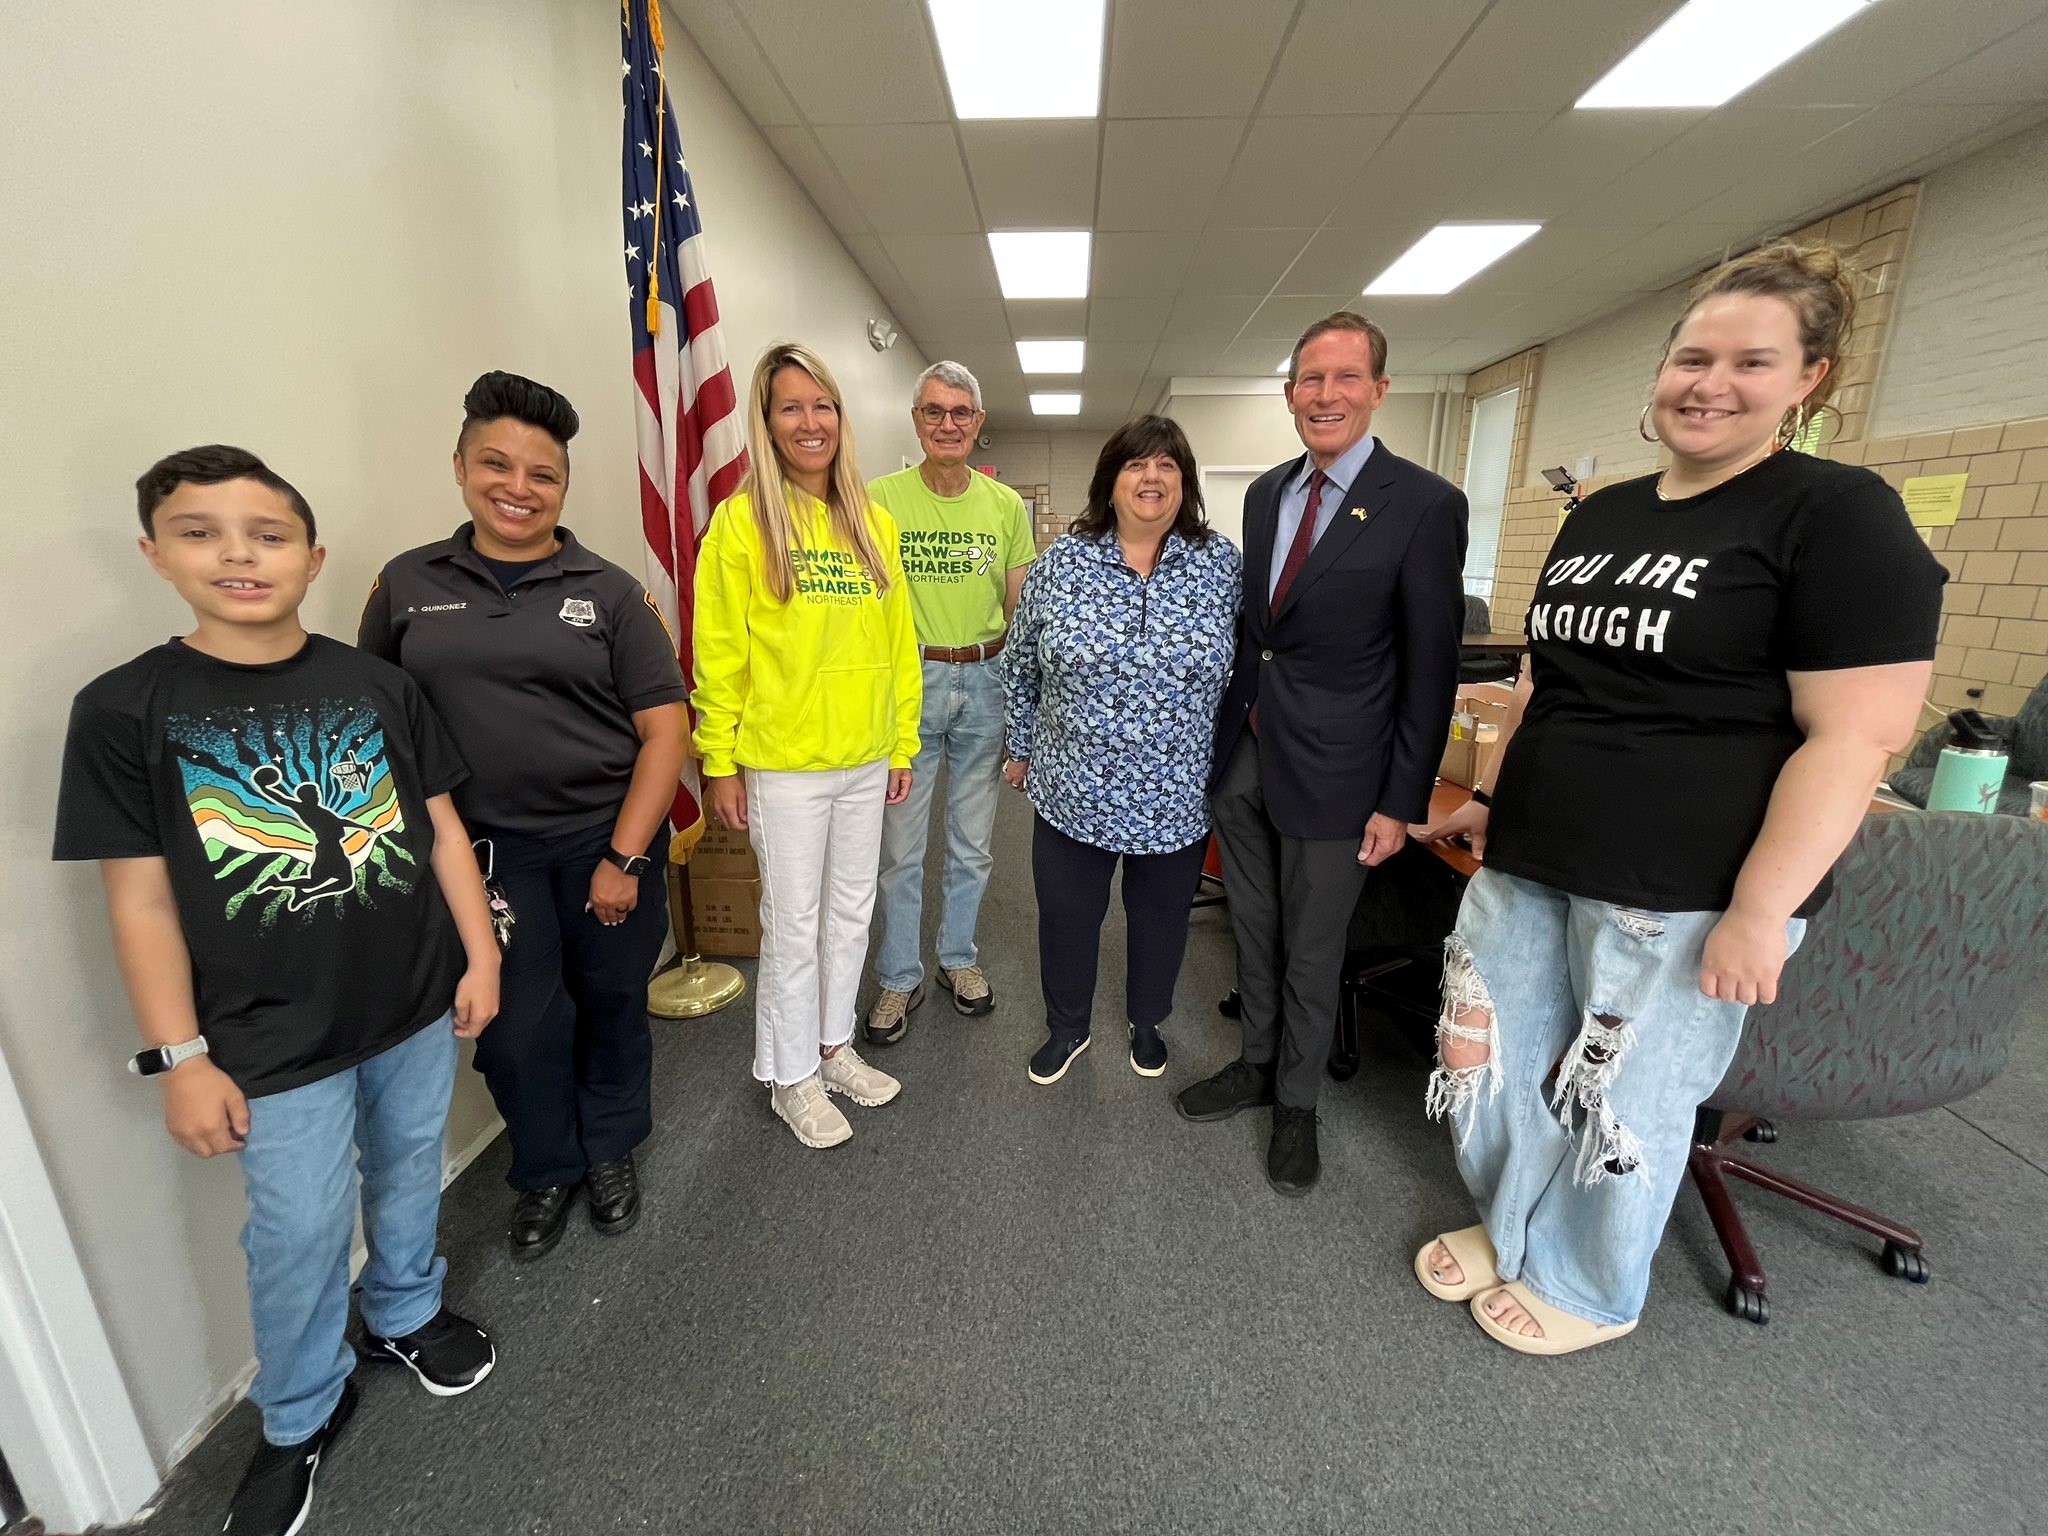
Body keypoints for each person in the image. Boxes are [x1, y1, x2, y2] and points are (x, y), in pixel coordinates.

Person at [1412, 242, 1944, 1355]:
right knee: (1488, 1056)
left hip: (1681, 882)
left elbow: (1858, 734)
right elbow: (1541, 684)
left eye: (1751, 361)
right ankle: (1510, 1229)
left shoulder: (1834, 514)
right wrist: (1490, 808)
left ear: (1810, 378)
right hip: (1535, 850)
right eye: (1691, 356)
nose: (1708, 383)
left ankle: (1588, 1283)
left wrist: (1762, 908)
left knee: (1624, 1095)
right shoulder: (1600, 515)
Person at [55, 447, 502, 1536]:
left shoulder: (376, 684)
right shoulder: (129, 709)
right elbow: (143, 904)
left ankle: (402, 1309)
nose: (239, 554)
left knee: (407, 1168)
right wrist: (179, 1056)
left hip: (407, 997)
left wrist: (480, 952)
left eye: (267, 533)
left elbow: (439, 828)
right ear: (156, 554)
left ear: (313, 557)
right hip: (260, 1034)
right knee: (296, 1227)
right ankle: (296, 1414)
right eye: (202, 532)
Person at [359, 372, 687, 1260]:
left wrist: (623, 859)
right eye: (496, 465)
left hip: (605, 840)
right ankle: (546, 1163)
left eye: (542, 474)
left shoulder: (611, 592)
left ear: (564, 489)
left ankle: (611, 1148)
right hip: (479, 856)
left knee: (613, 998)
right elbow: (379, 723)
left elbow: (665, 731)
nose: (518, 487)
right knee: (513, 1023)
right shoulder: (406, 585)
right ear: (461, 467)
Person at [1177, 312, 1468, 1196]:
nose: (1326, 395)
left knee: (1314, 945)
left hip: (1344, 775)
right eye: (1310, 379)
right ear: (1290, 393)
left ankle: (1297, 1104)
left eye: (1346, 378)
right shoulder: (1267, 493)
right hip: (1250, 757)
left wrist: (1402, 798)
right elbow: (1263, 635)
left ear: (1379, 390)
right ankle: (1256, 1064)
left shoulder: (1424, 504)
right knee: (1252, 931)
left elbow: (1431, 666)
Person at [693, 342, 921, 1147]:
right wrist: (718, 756)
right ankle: (788, 1076)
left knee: (851, 914)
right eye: (791, 407)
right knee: (792, 922)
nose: (810, 422)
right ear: (768, 422)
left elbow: (900, 645)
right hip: (783, 763)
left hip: (864, 756)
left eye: (822, 406)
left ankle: (832, 1049)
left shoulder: (873, 522)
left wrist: (901, 744)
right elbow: (717, 649)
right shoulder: (742, 521)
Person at [1002, 416, 1241, 1085]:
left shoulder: (1220, 565)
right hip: (1072, 786)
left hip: (1176, 790)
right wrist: (1018, 748)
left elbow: (1252, 669)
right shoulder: (1062, 563)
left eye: (1168, 465)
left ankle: (1147, 1020)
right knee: (1069, 916)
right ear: (1110, 481)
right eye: (1137, 464)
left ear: (1185, 483)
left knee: (1162, 919)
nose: (1152, 477)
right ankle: (1067, 1026)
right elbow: (1021, 665)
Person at [864, 361, 1035, 1045]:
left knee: (972, 844)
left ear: (978, 423)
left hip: (986, 680)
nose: (948, 424)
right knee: (902, 851)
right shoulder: (877, 501)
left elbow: (1018, 606)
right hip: (909, 688)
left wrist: (1026, 702)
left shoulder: (1005, 507)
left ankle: (958, 960)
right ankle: (899, 974)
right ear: (916, 421)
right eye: (935, 411)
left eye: (961, 412)